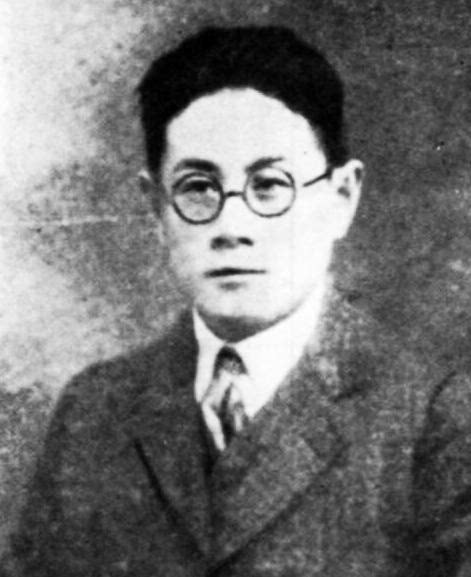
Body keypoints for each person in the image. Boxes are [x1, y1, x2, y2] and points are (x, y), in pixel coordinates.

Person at [6, 25, 471, 577]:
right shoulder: (94, 410)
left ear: (341, 198)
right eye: (198, 187)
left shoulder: (435, 417)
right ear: (156, 209)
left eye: (269, 185)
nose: (231, 226)